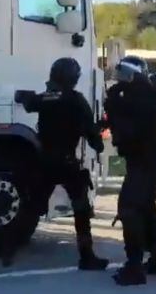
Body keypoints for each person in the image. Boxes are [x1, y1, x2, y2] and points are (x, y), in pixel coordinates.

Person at [15, 57, 108, 271]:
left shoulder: (48, 97)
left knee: (31, 207)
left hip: (44, 161)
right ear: (73, 78)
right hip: (67, 163)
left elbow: (28, 102)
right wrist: (98, 135)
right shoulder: (77, 101)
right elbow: (93, 137)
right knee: (81, 209)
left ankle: (8, 249)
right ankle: (87, 256)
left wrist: (24, 95)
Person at [104, 55, 156, 286]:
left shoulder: (141, 98)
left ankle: (134, 266)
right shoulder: (142, 96)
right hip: (146, 161)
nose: (119, 79)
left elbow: (129, 127)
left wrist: (113, 102)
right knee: (147, 208)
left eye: (123, 74)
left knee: (129, 209)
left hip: (143, 161)